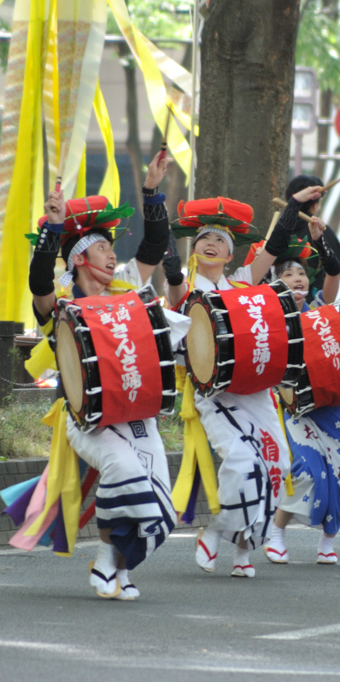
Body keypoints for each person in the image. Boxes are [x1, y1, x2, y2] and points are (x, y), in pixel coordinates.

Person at [19, 152, 179, 599]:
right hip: (85, 416)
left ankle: (116, 565)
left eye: (111, 248)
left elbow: (153, 247)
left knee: (160, 503)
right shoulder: (62, 303)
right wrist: (52, 229)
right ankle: (109, 561)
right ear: (81, 259)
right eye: (102, 249)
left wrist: (151, 191)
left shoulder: (127, 287)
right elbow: (38, 282)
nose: (112, 255)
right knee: (125, 472)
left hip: (137, 411)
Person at [166, 187, 322, 578]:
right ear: (194, 249)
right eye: (205, 238)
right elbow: (171, 281)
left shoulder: (243, 284)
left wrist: (295, 206)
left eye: (220, 239)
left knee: (275, 465)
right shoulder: (185, 291)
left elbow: (275, 245)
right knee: (241, 461)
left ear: (231, 253)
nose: (212, 243)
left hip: (256, 390)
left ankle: (242, 550)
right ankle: (216, 530)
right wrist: (155, 202)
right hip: (213, 394)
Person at [243, 219, 340, 565]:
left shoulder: (320, 307)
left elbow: (335, 274)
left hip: (333, 403)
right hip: (292, 406)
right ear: (272, 281)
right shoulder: (267, 317)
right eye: (288, 273)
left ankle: (328, 540)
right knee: (305, 470)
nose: (297, 279)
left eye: (301, 274)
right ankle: (277, 531)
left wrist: (321, 243)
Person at [285, 175, 340, 288]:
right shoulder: (319, 230)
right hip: (314, 301)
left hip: (279, 300)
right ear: (315, 205)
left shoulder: (279, 229)